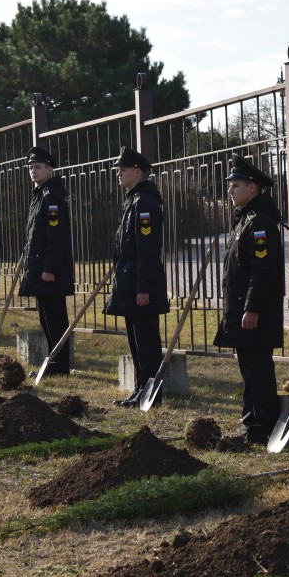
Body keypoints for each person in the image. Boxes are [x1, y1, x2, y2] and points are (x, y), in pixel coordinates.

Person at [213, 153, 284, 445]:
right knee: (248, 369)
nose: (230, 191)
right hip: (242, 310)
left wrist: (252, 308)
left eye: (236, 186)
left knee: (258, 369)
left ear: (252, 188)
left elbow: (263, 271)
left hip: (255, 313)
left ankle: (263, 425)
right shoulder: (245, 220)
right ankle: (251, 422)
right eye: (230, 186)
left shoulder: (260, 223)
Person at [106, 147, 170, 407]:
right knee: (136, 340)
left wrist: (143, 287)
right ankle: (141, 388)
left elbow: (147, 250)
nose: (118, 174)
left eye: (122, 170)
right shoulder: (133, 199)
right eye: (117, 171)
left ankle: (151, 393)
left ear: (137, 172)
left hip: (141, 284)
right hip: (130, 281)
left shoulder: (145, 203)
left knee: (146, 343)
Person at [18, 146, 75, 376]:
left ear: (50, 169)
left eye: (38, 167)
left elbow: (56, 237)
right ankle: (53, 361)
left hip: (50, 270)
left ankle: (59, 365)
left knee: (55, 318)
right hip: (40, 267)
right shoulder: (40, 194)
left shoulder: (51, 197)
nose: (33, 171)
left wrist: (49, 268)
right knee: (46, 317)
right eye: (31, 168)